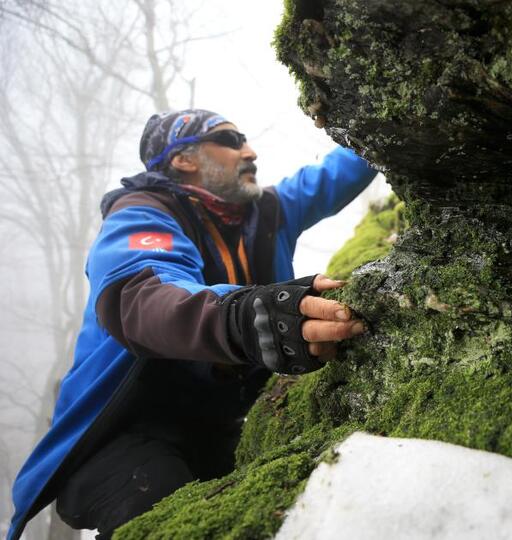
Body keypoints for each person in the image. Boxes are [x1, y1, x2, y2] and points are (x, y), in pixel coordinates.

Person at [6, 109, 378, 539]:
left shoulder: (267, 211)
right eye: (230, 140)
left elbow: (337, 173)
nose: (250, 151)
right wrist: (242, 316)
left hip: (214, 430)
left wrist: (375, 119)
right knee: (164, 506)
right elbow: (144, 295)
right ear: (183, 159)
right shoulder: (141, 214)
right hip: (118, 436)